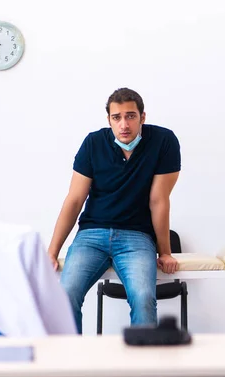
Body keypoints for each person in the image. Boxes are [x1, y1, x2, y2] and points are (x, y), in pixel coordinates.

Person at [47, 88, 181, 334]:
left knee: (143, 298)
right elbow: (75, 199)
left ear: (142, 117)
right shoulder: (93, 143)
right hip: (91, 236)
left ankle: (141, 370)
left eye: (130, 116)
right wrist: (52, 252)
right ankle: (67, 366)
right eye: (116, 117)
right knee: (65, 296)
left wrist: (165, 252)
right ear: (109, 119)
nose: (124, 124)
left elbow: (158, 200)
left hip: (136, 238)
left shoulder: (164, 142)